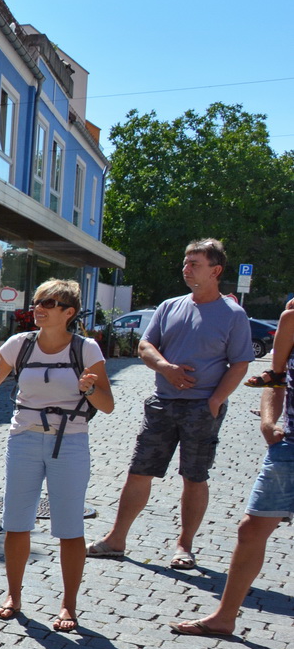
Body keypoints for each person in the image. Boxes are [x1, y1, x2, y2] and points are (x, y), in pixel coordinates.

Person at [88, 240, 254, 568]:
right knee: (139, 471)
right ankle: (116, 539)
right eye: (185, 262)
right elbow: (146, 345)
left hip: (201, 408)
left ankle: (184, 546)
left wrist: (216, 400)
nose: (186, 267)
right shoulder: (169, 307)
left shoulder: (233, 315)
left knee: (194, 476)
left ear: (215, 270)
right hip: (162, 403)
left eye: (194, 263)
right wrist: (166, 368)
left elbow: (240, 364)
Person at [0, 279, 113, 631]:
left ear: (69, 312)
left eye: (49, 303)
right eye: (37, 301)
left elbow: (107, 405)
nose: (39, 307)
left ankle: (68, 605)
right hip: (23, 439)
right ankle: (13, 596)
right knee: (15, 521)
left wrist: (90, 387)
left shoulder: (87, 349)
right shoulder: (20, 344)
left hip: (70, 442)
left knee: (69, 525)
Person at [171, 366, 291, 637]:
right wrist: (268, 423)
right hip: (288, 449)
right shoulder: (290, 325)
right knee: (250, 531)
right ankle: (225, 618)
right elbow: (275, 377)